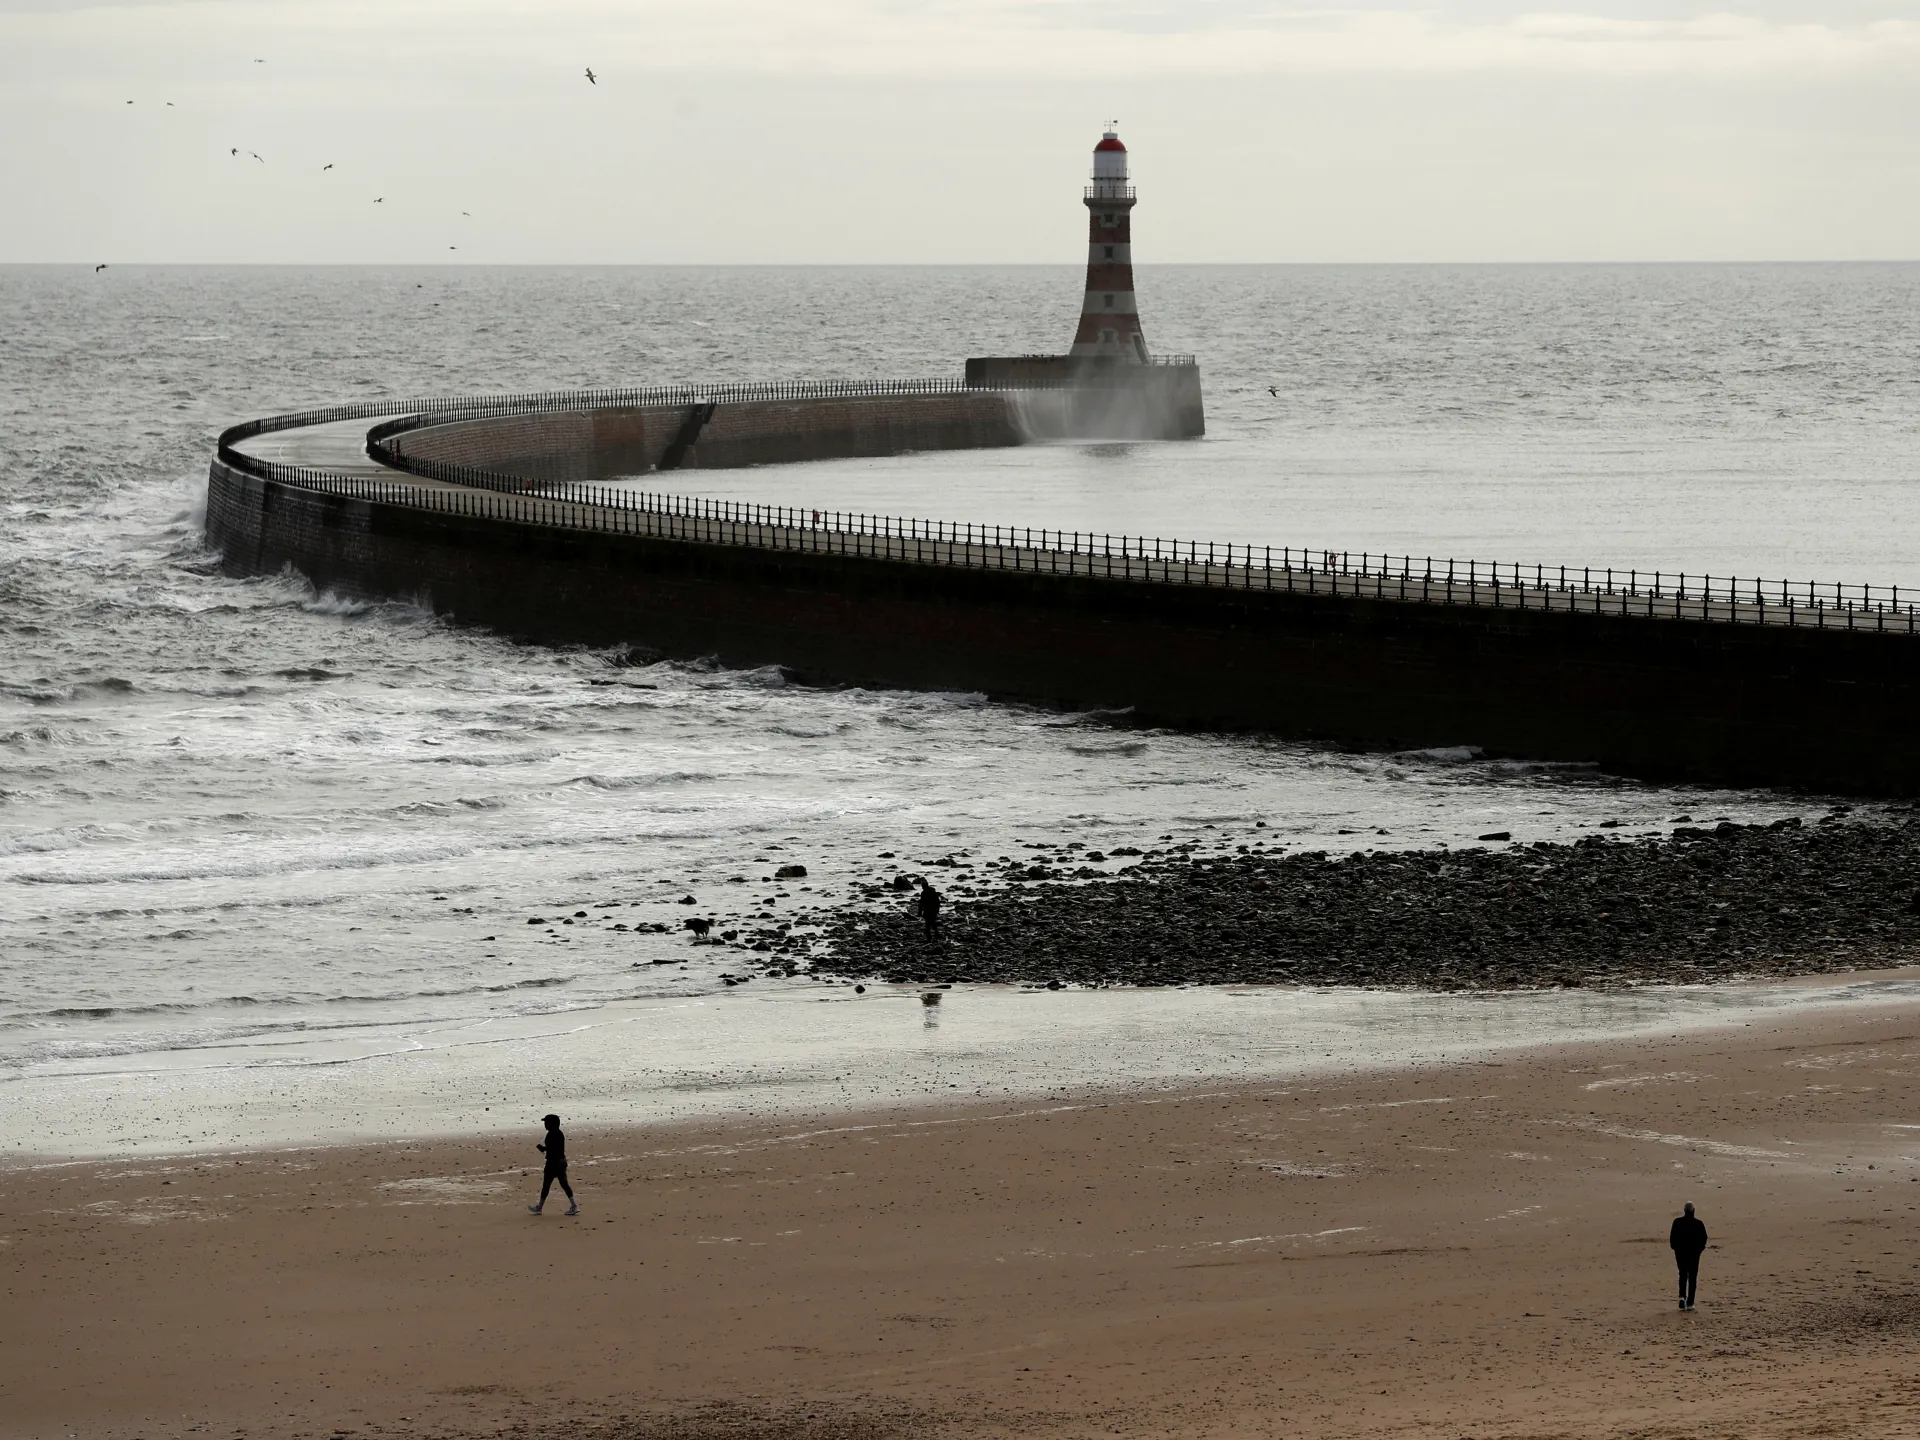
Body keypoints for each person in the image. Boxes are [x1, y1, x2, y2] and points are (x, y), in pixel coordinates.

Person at [529, 1113, 578, 1216]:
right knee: (564, 1184)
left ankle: (539, 1208)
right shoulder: (559, 1133)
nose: (545, 1124)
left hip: (553, 1163)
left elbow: (552, 1149)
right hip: (561, 1161)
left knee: (546, 1186)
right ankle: (574, 1205)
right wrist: (545, 1148)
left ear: (552, 1124)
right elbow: (555, 1147)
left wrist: (543, 1149)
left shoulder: (551, 1134)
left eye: (546, 1122)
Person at [1669, 1202, 1707, 1309]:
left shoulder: (1677, 1222)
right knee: (1692, 1277)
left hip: (1681, 1253)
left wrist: (1675, 1248)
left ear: (1684, 1211)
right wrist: (1699, 1250)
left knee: (1683, 1274)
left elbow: (1672, 1238)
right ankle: (1690, 1303)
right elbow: (1704, 1239)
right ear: (1693, 1211)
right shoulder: (1699, 1224)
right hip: (1694, 1254)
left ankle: (1682, 1297)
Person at [916, 877, 942, 941]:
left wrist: (919, 913)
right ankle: (936, 934)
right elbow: (937, 901)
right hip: (933, 909)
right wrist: (937, 910)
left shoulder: (923, 893)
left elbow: (921, 903)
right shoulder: (933, 891)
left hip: (927, 910)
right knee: (933, 922)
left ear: (923, 886)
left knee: (928, 924)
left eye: (922, 886)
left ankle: (929, 938)